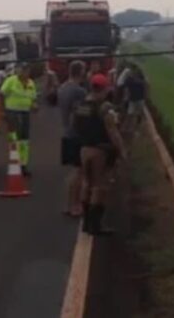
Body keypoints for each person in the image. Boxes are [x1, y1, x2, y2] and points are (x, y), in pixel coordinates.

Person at [74, 73, 128, 236]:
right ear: (104, 88)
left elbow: (75, 126)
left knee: (86, 183)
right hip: (100, 150)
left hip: (84, 149)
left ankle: (85, 223)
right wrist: (122, 150)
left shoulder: (81, 105)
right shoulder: (104, 107)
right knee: (99, 186)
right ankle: (95, 226)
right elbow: (112, 131)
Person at [57, 60, 88, 217]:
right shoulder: (79, 92)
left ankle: (68, 205)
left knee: (74, 172)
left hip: (67, 132)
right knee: (79, 172)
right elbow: (82, 112)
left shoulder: (62, 88)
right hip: (77, 134)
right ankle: (75, 206)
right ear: (81, 72)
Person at [0, 63, 38, 176]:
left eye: (26, 70)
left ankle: (23, 164)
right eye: (21, 70)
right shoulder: (11, 81)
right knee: (14, 137)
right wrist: (2, 111)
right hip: (12, 112)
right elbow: (1, 94)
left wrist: (34, 105)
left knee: (24, 139)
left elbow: (33, 98)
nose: (24, 72)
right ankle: (14, 162)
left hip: (25, 112)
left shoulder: (31, 83)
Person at [121, 65, 149, 131]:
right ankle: (127, 127)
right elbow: (126, 89)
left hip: (140, 99)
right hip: (132, 100)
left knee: (138, 113)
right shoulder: (129, 80)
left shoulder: (141, 78)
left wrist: (145, 96)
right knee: (130, 113)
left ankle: (136, 126)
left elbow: (145, 86)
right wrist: (126, 97)